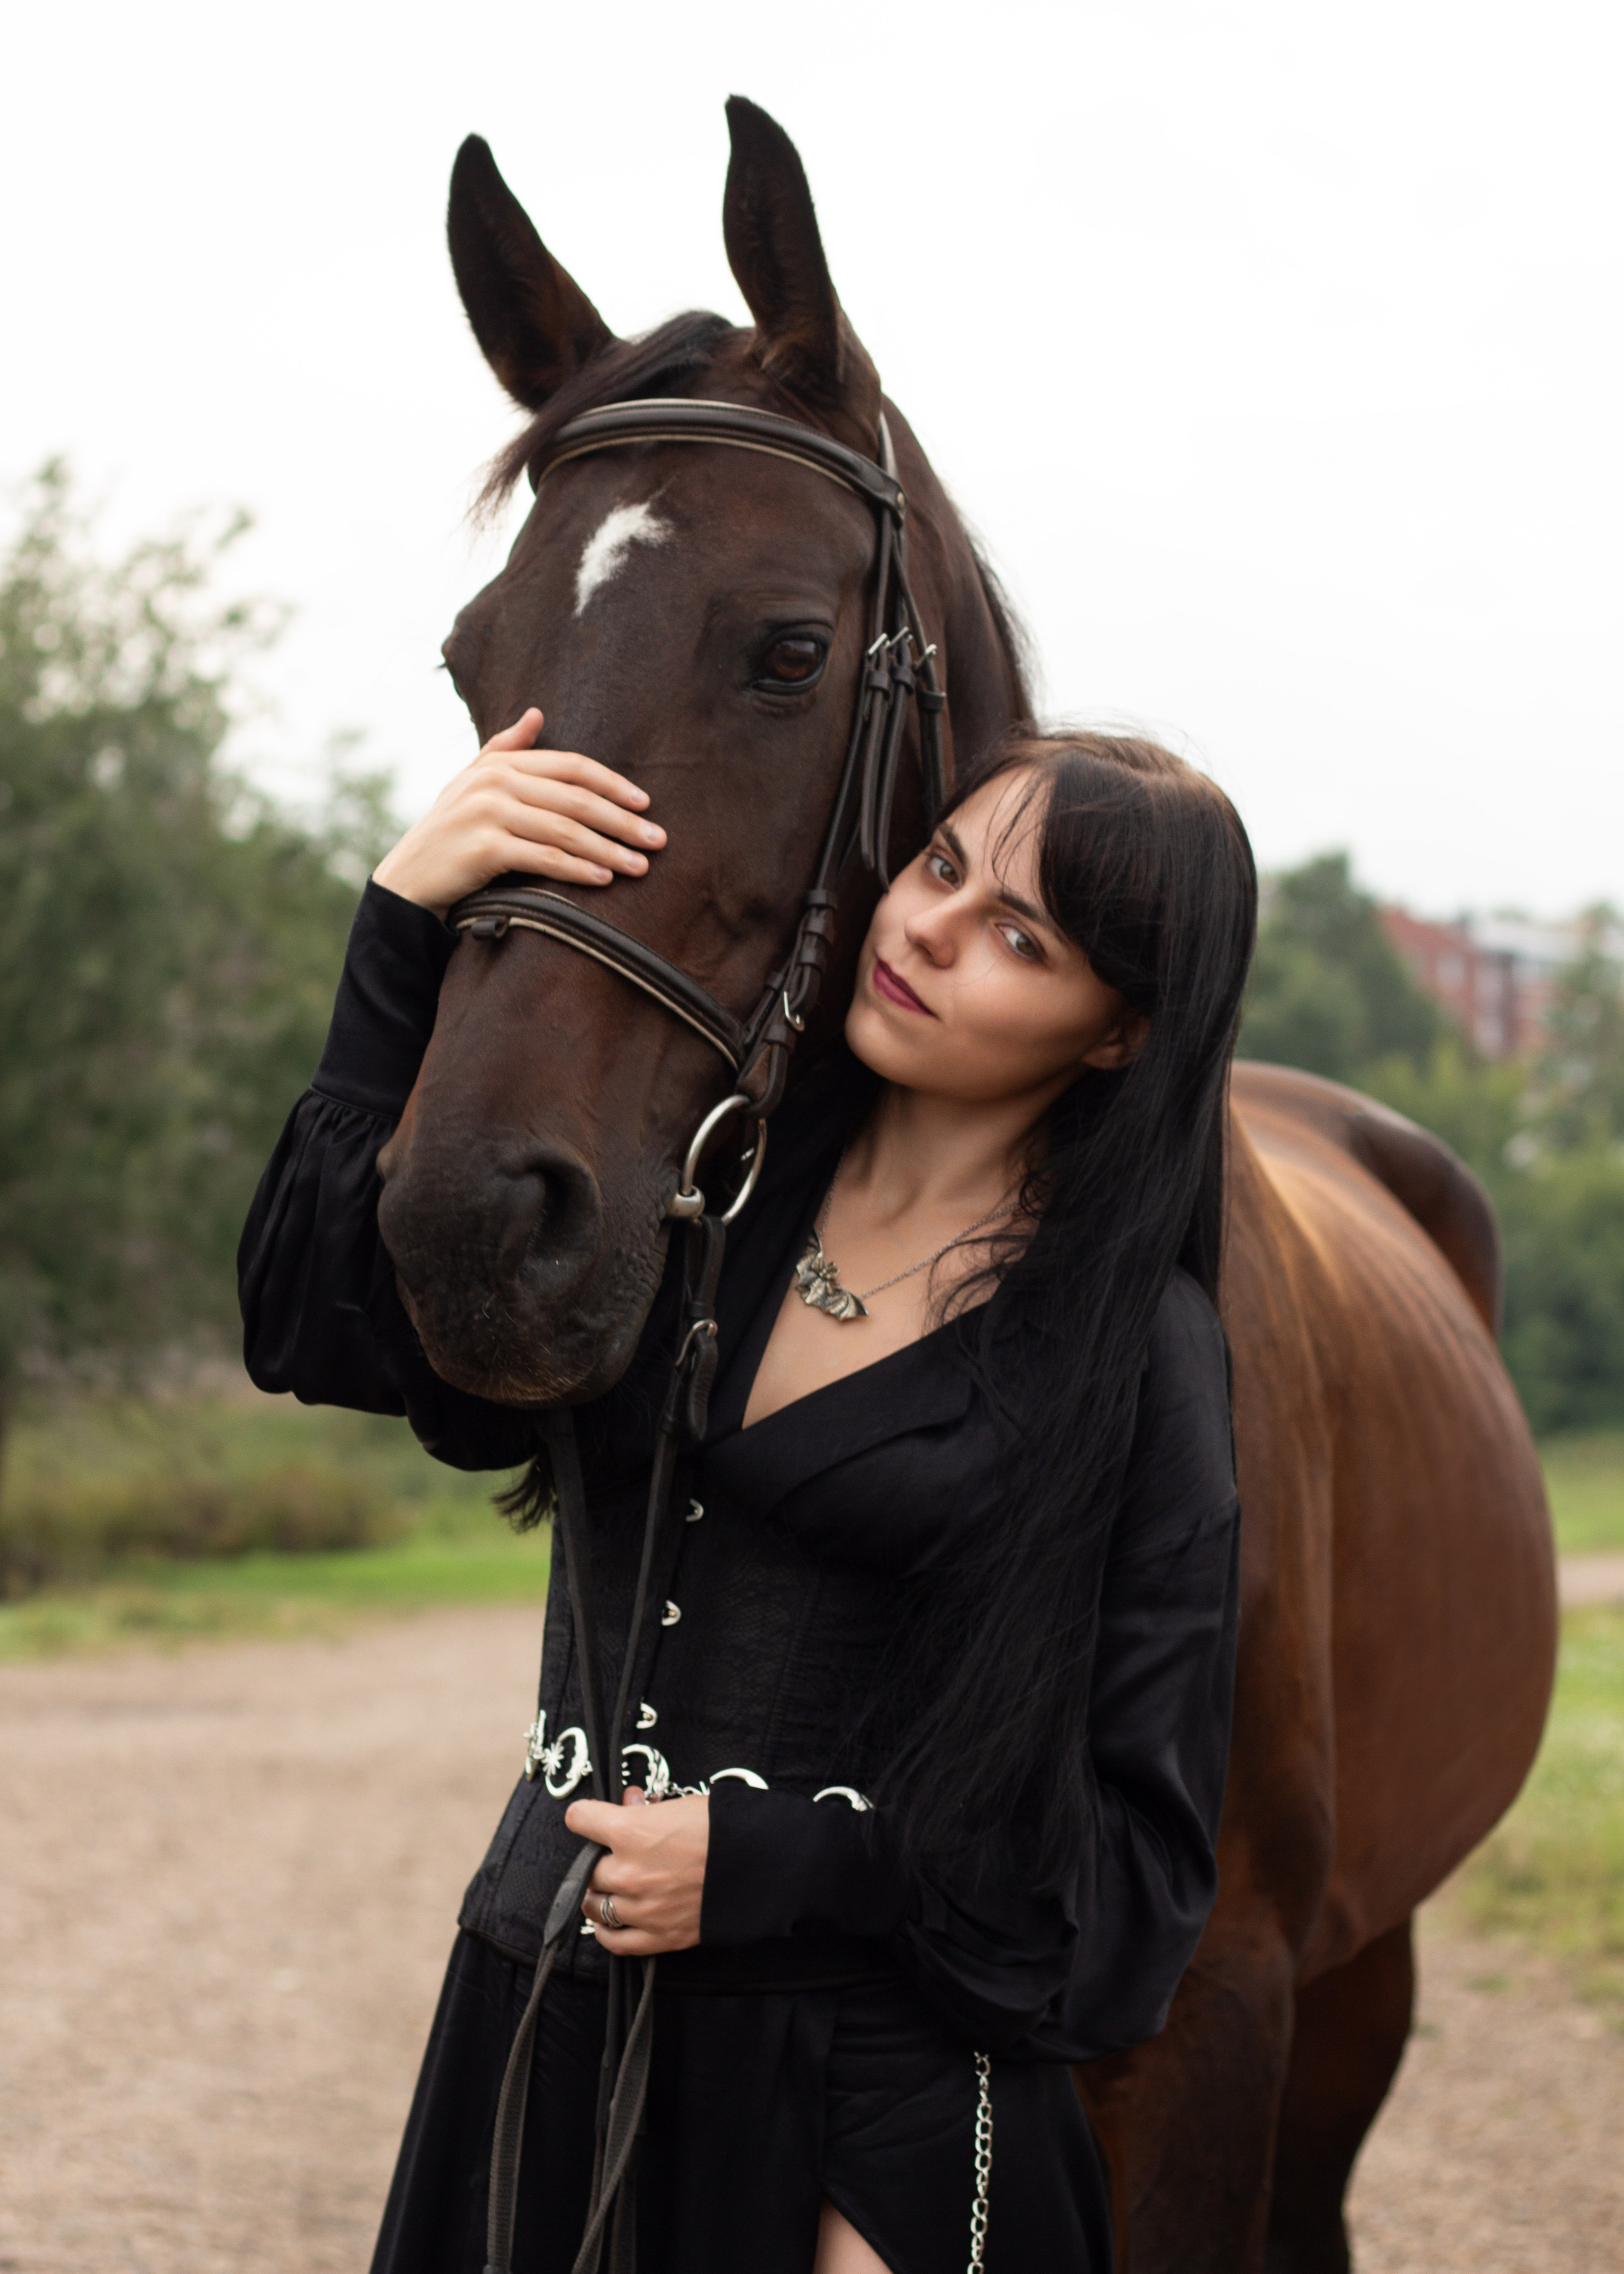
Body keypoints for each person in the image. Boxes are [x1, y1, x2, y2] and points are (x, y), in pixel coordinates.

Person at [239, 712, 1256, 2274]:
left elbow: (1130, 1885)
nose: (925, 929)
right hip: (536, 2019)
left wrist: (776, 1859)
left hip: (870, 2100)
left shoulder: (1130, 1358)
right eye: (936, 865)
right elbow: (322, 1330)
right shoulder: (696, 1186)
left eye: (1016, 937)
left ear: (1117, 1030)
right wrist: (399, 926)